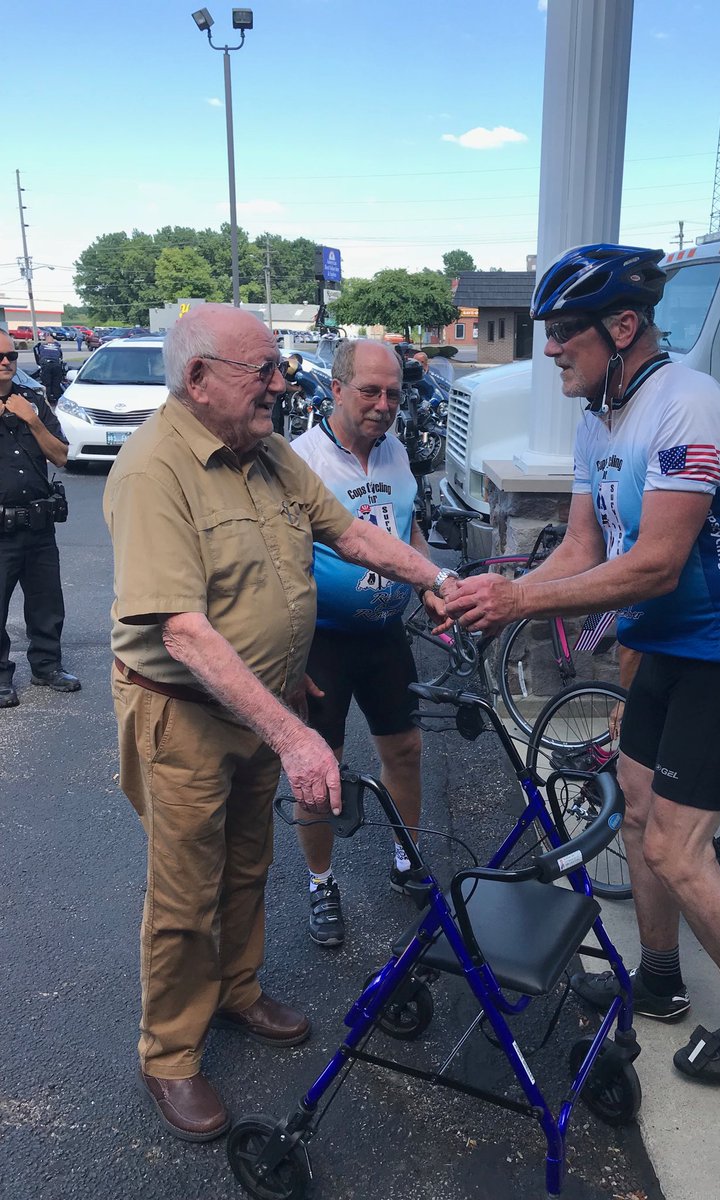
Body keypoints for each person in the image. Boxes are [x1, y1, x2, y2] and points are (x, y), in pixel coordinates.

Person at [445, 244, 720, 1085]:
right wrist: (492, 600)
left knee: (680, 849)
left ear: (625, 326)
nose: (551, 348)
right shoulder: (599, 414)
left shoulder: (688, 407)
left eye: (566, 331)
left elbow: (657, 564)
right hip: (664, 646)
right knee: (638, 815)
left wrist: (518, 605)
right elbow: (581, 546)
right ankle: (665, 978)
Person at [103, 305, 458, 1142]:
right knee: (184, 892)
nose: (279, 381)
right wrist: (298, 735)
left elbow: (349, 532)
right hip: (186, 716)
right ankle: (170, 1055)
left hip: (261, 704)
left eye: (277, 366)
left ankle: (235, 989)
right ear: (198, 379)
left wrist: (435, 577)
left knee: (248, 861)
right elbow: (182, 629)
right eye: (259, 368)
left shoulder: (263, 453)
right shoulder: (156, 470)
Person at [290, 340, 443, 947]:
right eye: (369, 392)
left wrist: (431, 584)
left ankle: (406, 854)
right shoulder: (301, 460)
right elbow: (279, 566)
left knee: (405, 750)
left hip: (384, 635)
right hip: (321, 641)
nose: (383, 405)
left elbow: (410, 531)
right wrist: (287, 655)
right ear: (336, 388)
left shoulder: (398, 451)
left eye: (394, 394)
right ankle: (320, 882)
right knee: (315, 769)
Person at [0, 331, 80, 709]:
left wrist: (32, 420)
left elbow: (61, 456)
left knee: (47, 602)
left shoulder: (31, 401)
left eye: (11, 356)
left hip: (38, 524)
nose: (6, 362)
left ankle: (47, 666)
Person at [34, 332, 65, 405]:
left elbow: (39, 356)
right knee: (56, 383)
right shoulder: (57, 346)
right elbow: (61, 357)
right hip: (56, 365)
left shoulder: (42, 346)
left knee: (47, 383)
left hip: (46, 365)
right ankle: (57, 399)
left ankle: (47, 400)